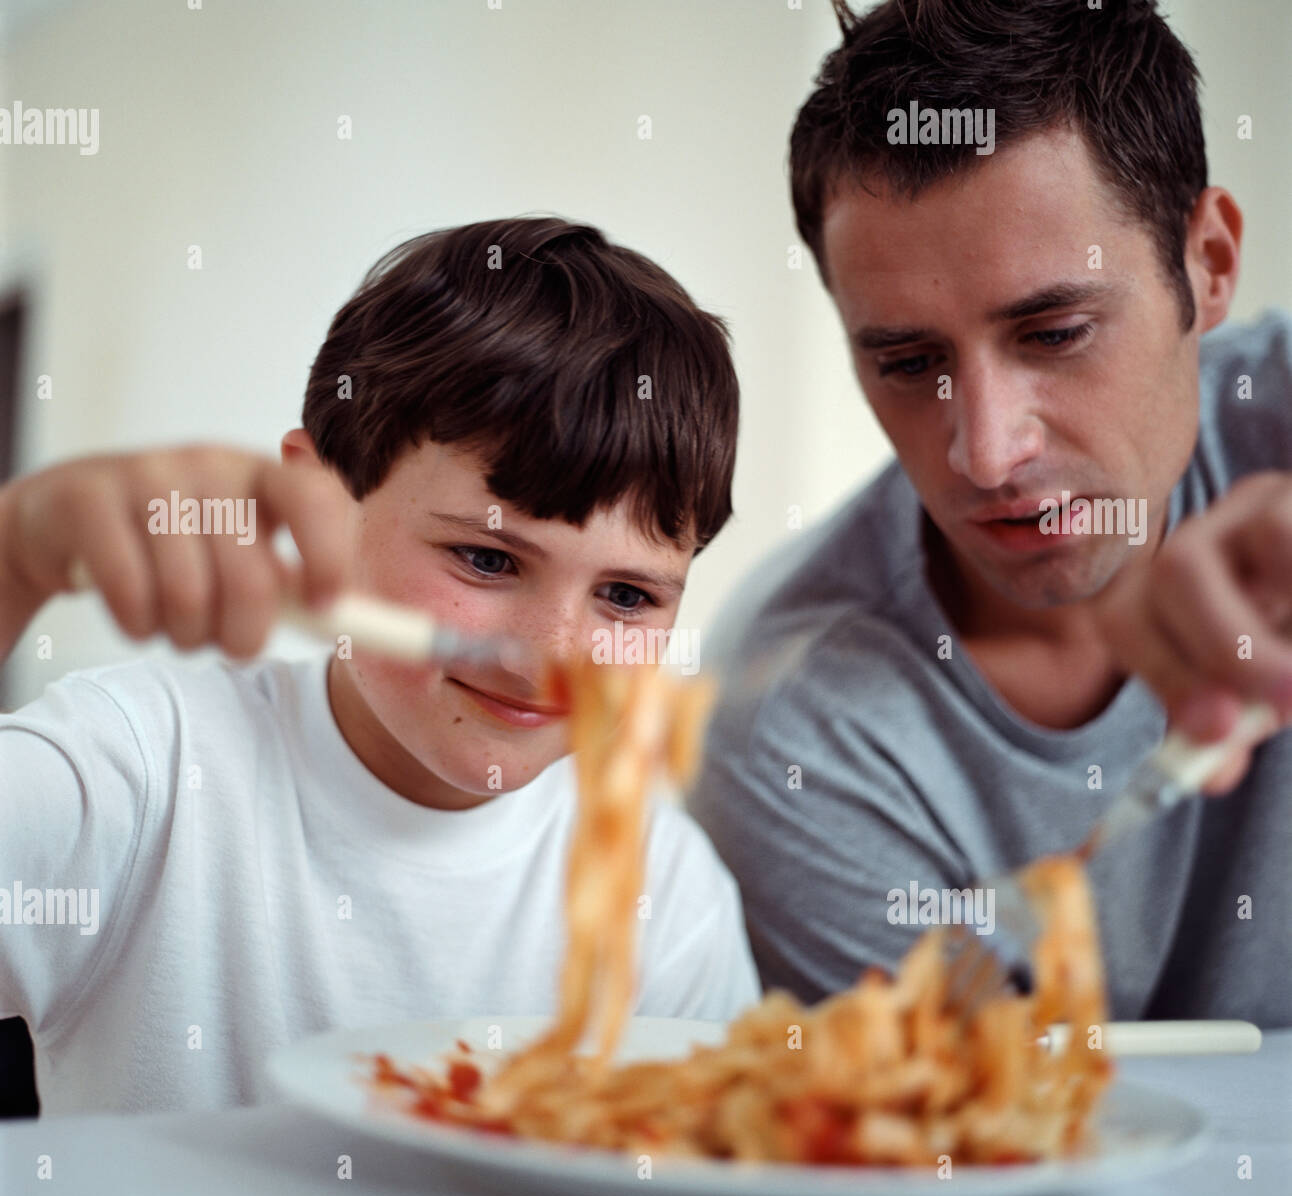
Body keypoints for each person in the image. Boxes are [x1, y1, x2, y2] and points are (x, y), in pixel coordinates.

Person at [0, 216, 759, 1115]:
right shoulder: (137, 776)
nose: (549, 661)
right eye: (486, 559)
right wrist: (15, 559)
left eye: (628, 597)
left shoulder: (664, 894)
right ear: (318, 500)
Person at [689, 0, 1291, 1026]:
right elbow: (986, 1148)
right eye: (908, 362)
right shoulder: (795, 731)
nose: (985, 450)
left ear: (1209, 263)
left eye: (1053, 332)